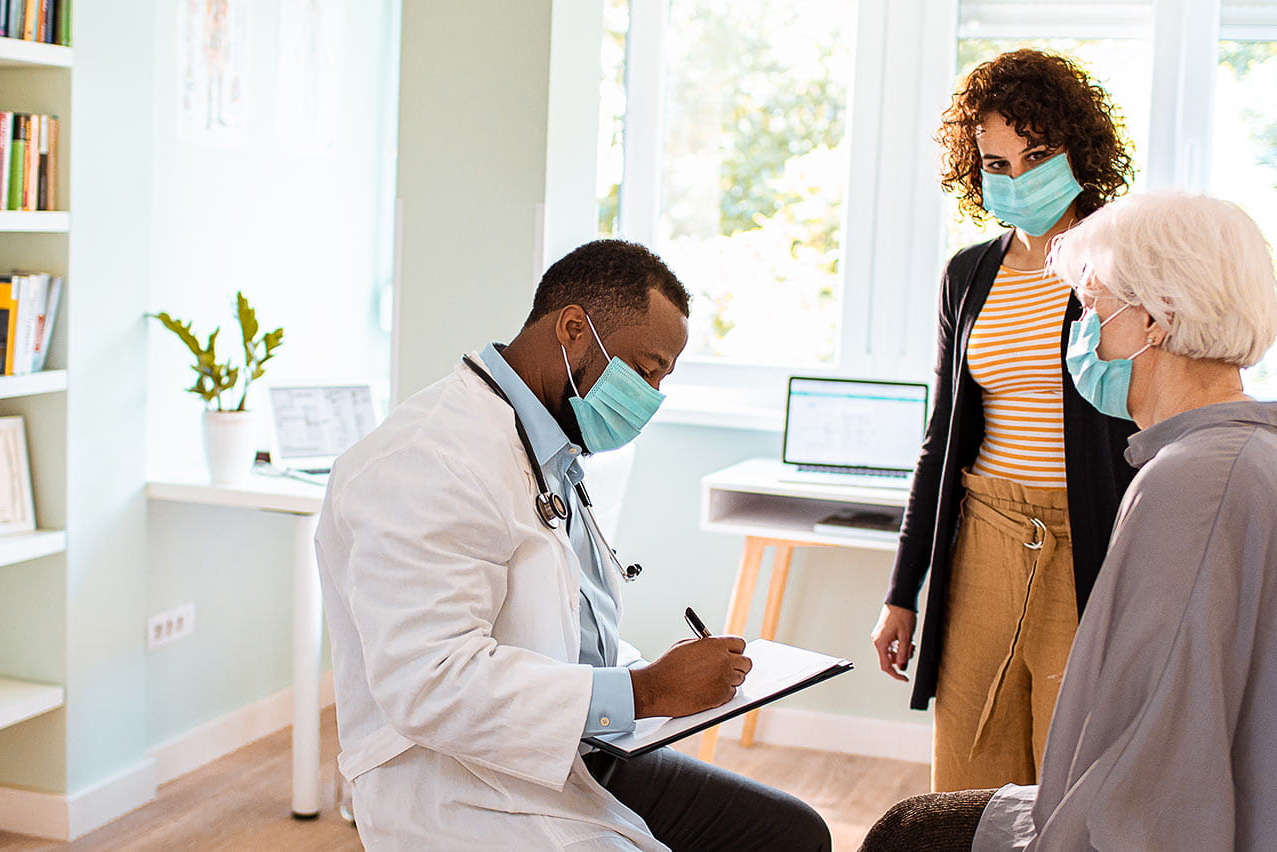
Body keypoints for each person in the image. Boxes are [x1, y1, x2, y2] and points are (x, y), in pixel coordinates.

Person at [316, 239, 831, 851]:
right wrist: (648, 692)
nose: (653, 397)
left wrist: (647, 675)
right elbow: (431, 684)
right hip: (457, 781)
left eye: (665, 377)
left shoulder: (547, 444)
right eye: (644, 369)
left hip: (570, 749)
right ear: (572, 329)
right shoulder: (429, 459)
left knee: (792, 834)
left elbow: (559, 623)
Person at [861, 190, 1277, 852]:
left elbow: (1153, 770)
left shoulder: (1185, 485)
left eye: (1091, 308)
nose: (1082, 334)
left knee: (908, 830)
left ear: (1154, 321)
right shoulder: (1246, 454)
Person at [869, 49, 1138, 792]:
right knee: (969, 764)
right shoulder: (968, 275)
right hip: (983, 538)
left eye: (1038, 155)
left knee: (1071, 767)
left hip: (1089, 542)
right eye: (997, 161)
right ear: (973, 168)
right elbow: (940, 442)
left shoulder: (1126, 263)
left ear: (1080, 150)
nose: (1018, 178)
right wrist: (901, 591)